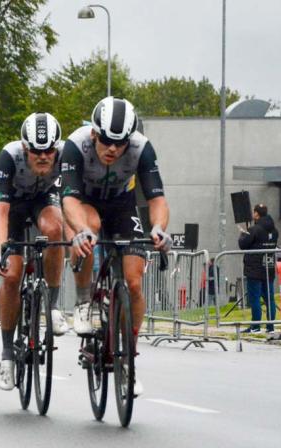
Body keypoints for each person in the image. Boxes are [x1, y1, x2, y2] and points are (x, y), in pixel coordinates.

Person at [63, 97, 171, 397]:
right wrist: (80, 230)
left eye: (119, 142)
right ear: (94, 134)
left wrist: (159, 227)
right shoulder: (76, 145)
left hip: (123, 205)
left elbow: (157, 199)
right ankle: (84, 300)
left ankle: (129, 357)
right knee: (90, 228)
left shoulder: (141, 147)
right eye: (107, 140)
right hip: (84, 201)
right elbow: (68, 199)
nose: (113, 148)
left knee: (134, 283)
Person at [0, 112, 69, 390]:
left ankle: (54, 305)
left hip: (42, 200)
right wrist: (2, 249)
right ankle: (7, 354)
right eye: (36, 150)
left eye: (49, 150)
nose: (44, 156)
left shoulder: (64, 156)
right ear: (25, 148)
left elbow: (70, 201)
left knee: (55, 231)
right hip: (12, 206)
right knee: (11, 276)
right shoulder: (9, 157)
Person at [238, 203, 279, 333]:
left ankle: (256, 326)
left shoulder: (254, 229)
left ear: (256, 214)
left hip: (254, 268)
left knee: (254, 298)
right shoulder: (274, 231)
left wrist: (242, 234)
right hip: (269, 267)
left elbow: (243, 244)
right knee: (269, 298)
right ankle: (270, 326)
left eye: (254, 212)